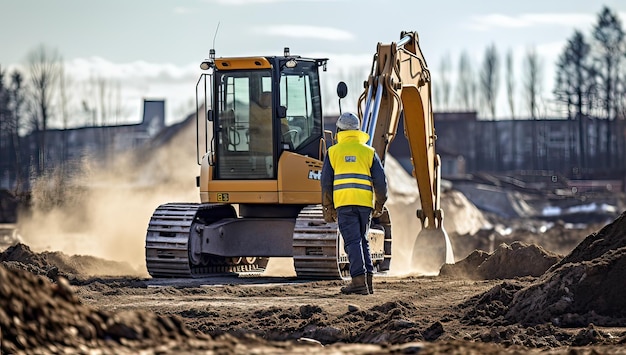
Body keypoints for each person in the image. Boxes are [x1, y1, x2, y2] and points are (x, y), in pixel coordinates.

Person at [321, 112, 388, 295]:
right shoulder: (369, 152)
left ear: (339, 131)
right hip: (365, 205)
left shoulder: (333, 152)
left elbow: (326, 183)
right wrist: (379, 203)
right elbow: (381, 182)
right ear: (358, 130)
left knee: (352, 242)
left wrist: (328, 207)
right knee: (362, 240)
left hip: (344, 204)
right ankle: (367, 282)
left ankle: (358, 282)